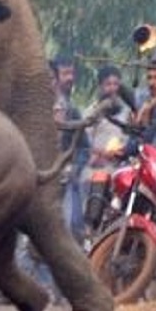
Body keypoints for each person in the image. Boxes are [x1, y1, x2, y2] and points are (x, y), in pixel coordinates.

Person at [50, 55, 89, 244]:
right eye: (65, 73)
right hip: (39, 178)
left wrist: (75, 168)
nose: (70, 78)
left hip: (65, 179)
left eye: (72, 73)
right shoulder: (36, 109)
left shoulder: (73, 111)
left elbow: (84, 147)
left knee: (69, 227)